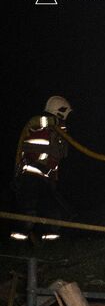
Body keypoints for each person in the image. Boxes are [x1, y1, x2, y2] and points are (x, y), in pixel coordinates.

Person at [11, 96, 72, 241]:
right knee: (28, 207)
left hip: (46, 178)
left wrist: (54, 179)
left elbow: (58, 158)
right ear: (60, 111)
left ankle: (51, 237)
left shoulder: (58, 133)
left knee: (50, 208)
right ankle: (20, 235)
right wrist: (55, 122)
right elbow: (36, 122)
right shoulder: (39, 123)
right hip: (30, 174)